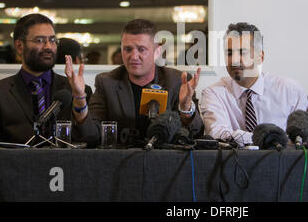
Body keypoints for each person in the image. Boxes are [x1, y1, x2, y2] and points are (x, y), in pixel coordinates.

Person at [65, 19, 204, 147]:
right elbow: (90, 135)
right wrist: (79, 99)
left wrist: (186, 107)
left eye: (141, 49)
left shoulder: (176, 81)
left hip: (165, 163)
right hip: (118, 163)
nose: (133, 56)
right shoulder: (107, 82)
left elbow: (196, 133)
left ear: (157, 52)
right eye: (128, 49)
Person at [0, 14, 92, 144]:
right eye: (39, 40)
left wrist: (80, 99)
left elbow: (92, 139)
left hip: (66, 163)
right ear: (19, 46)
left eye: (52, 40)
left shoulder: (78, 91)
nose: (48, 47)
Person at [200, 22, 308, 146]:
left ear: (260, 57)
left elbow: (302, 139)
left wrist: (239, 136)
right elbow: (217, 134)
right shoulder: (214, 93)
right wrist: (270, 139)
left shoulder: (290, 91)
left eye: (243, 52)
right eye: (229, 53)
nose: (235, 60)